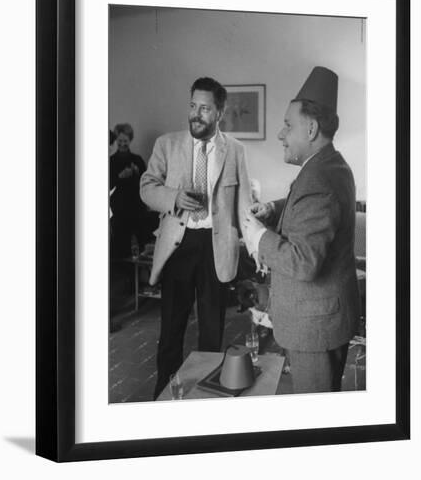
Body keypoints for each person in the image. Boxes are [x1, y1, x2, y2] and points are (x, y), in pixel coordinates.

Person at [244, 66, 360, 394]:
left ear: (310, 129)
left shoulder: (318, 179)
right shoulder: (329, 165)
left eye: (287, 125)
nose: (281, 134)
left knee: (315, 419)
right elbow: (308, 205)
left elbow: (304, 263)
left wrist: (257, 236)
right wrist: (273, 209)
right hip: (324, 318)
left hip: (315, 329)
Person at [140, 76, 252, 398]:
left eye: (204, 109)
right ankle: (162, 395)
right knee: (171, 329)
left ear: (220, 112)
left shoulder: (236, 151)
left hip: (217, 249)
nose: (196, 114)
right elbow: (147, 187)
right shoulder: (167, 144)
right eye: (192, 106)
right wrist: (174, 197)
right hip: (179, 244)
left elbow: (243, 202)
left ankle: (207, 397)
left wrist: (256, 240)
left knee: (212, 331)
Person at [109, 123, 147, 259]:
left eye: (125, 141)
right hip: (118, 212)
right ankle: (123, 278)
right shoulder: (110, 161)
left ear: (130, 140)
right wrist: (120, 176)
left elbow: (147, 184)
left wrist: (138, 173)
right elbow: (107, 186)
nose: (122, 144)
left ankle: (137, 279)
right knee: (120, 247)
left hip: (137, 210)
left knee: (141, 246)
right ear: (115, 141)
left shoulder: (137, 160)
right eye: (119, 141)